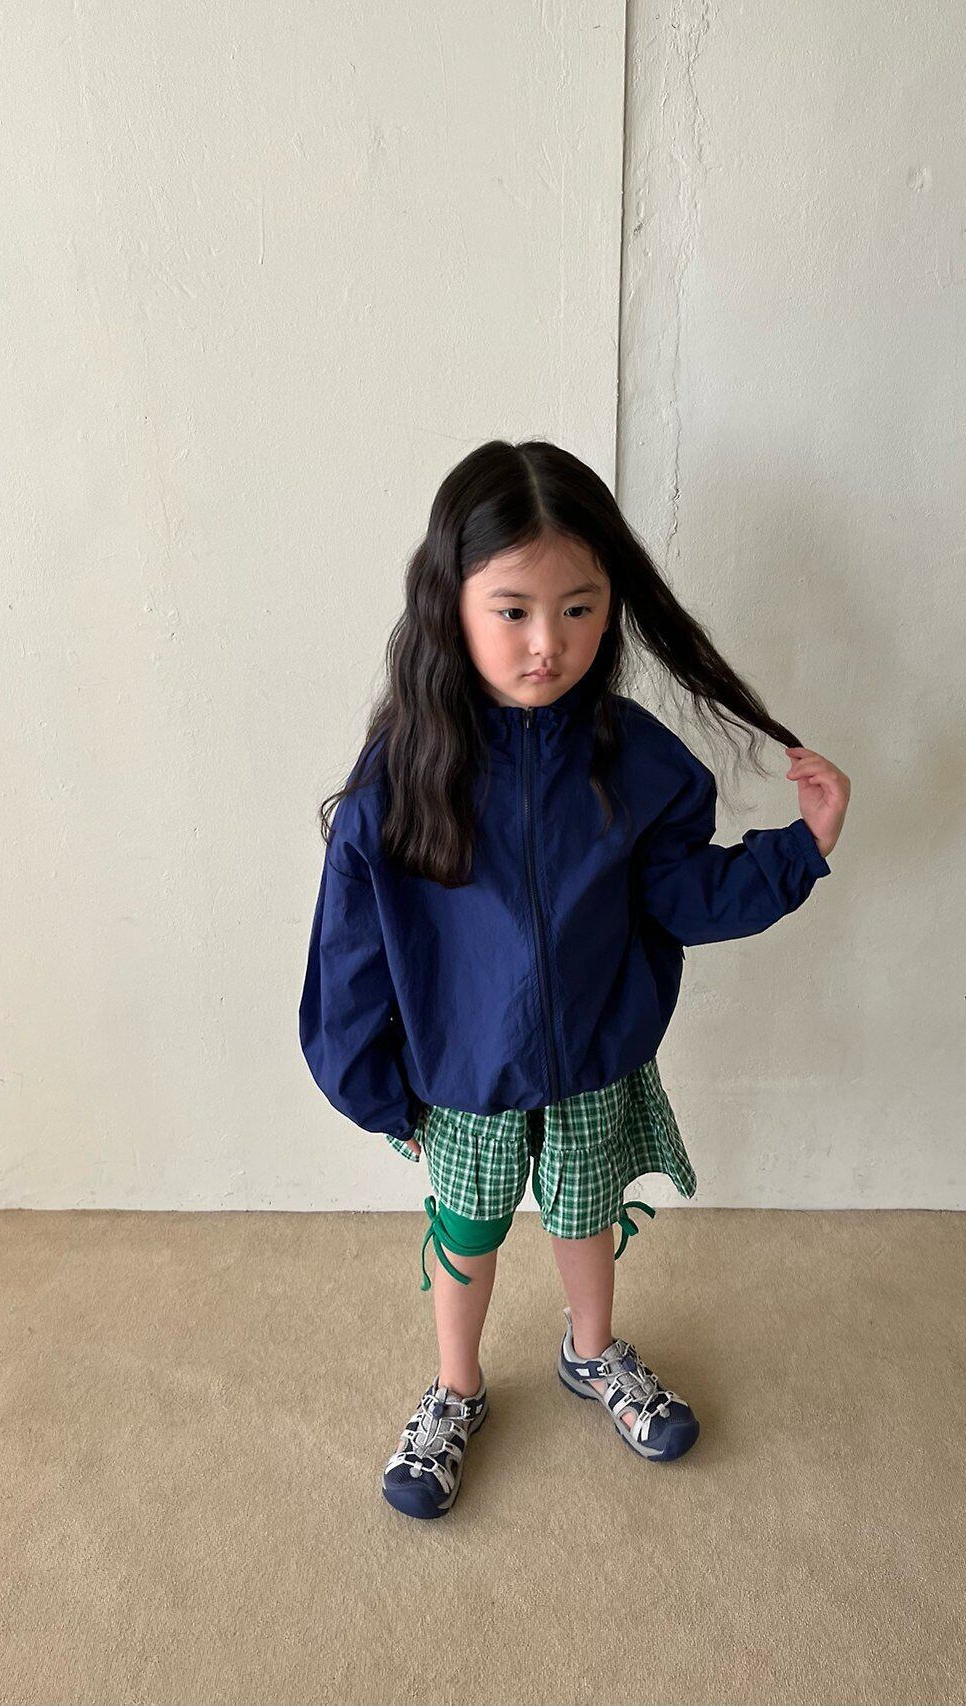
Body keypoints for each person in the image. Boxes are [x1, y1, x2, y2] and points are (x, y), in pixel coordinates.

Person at [298, 439, 850, 1520]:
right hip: (462, 1074)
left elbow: (684, 895)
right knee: (466, 1229)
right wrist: (372, 1082)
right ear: (450, 605)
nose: (546, 642)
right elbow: (349, 946)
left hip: (595, 1055)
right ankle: (455, 1387)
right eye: (511, 610)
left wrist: (801, 848)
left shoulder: (635, 759)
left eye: (578, 609)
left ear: (612, 609)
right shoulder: (406, 772)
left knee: (585, 1214)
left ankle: (590, 1351)